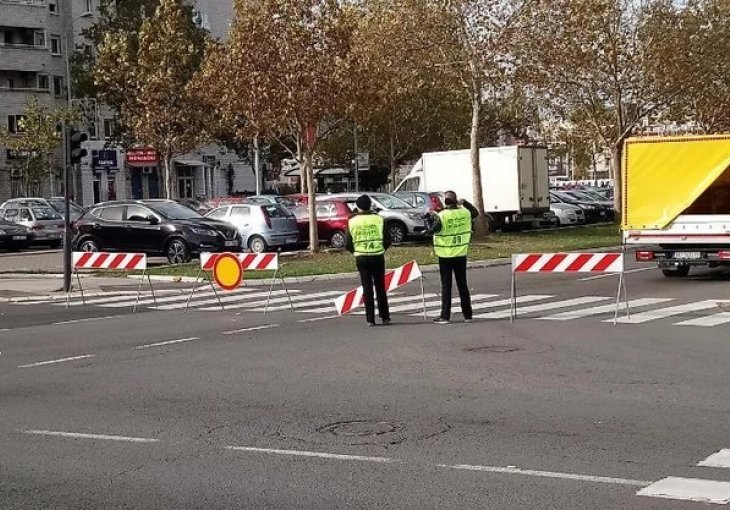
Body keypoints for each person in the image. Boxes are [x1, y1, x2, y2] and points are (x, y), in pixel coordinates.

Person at [429, 191, 479, 324]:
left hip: (445, 255)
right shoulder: (465, 213)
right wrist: (465, 203)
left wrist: (430, 217)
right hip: (461, 253)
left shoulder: (442, 216)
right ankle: (467, 315)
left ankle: (445, 316)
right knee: (462, 285)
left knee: (446, 286)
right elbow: (475, 213)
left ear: (445, 201)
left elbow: (432, 229)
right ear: (455, 200)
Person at [345, 194, 392, 327]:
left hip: (361, 257)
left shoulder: (352, 221)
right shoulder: (379, 219)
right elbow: (388, 239)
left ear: (358, 207)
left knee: (367, 288)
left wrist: (355, 251)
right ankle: (385, 317)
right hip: (377, 256)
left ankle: (370, 319)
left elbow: (348, 243)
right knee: (380, 288)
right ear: (370, 205)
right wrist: (381, 249)